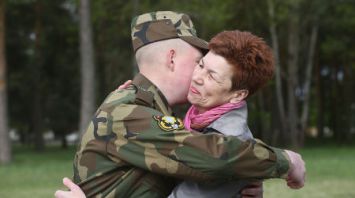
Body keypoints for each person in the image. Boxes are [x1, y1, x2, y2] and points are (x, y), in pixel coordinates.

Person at [55, 11, 305, 198]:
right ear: (172, 58)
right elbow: (213, 156)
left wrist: (236, 182)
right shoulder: (131, 113)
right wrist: (286, 161)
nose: (198, 74)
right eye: (199, 61)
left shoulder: (149, 108)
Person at [167, 29, 284, 198]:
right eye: (200, 65)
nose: (197, 78)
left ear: (238, 95)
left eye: (212, 77)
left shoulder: (231, 148)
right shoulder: (196, 121)